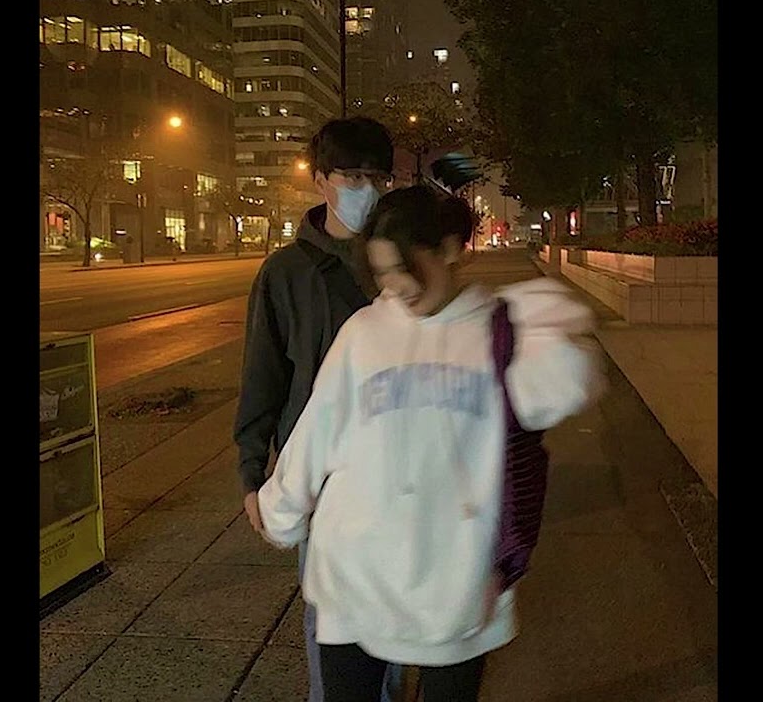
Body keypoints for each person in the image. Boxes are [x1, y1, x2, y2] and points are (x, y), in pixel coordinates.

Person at [256, 186, 605, 701]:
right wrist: (279, 509)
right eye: (382, 273)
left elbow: (563, 389)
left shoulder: (500, 333)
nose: (396, 286)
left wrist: (544, 329)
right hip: (356, 573)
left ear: (449, 249)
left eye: (405, 267)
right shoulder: (364, 331)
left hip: (455, 581)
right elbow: (317, 431)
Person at [233, 116, 406, 702]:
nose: (367, 190)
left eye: (377, 177)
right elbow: (263, 378)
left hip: (396, 464)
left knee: (395, 609)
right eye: (352, 176)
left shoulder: (400, 263)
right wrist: (252, 474)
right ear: (320, 180)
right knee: (330, 617)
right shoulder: (285, 273)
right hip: (323, 476)